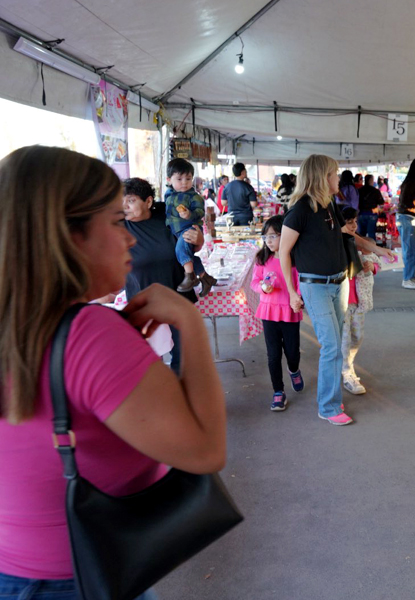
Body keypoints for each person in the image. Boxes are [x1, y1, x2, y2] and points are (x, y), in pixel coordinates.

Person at [0, 146, 227, 599]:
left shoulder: (22, 323)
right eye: (115, 222)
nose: (129, 239)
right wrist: (188, 320)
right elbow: (204, 451)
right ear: (68, 237)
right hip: (83, 577)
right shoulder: (88, 334)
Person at [279, 154, 395, 426]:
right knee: (331, 346)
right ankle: (328, 406)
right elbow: (283, 252)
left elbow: (347, 235)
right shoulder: (299, 211)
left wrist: (377, 249)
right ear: (322, 177)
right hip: (315, 287)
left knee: (335, 345)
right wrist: (292, 292)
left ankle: (331, 397)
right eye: (334, 173)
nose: (339, 179)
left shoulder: (330, 204)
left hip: (339, 283)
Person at [123, 177, 203, 376]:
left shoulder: (168, 214)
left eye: (131, 200)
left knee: (184, 360)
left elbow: (190, 244)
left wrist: (199, 240)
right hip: (142, 306)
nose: (124, 206)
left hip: (178, 299)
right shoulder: (117, 226)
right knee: (149, 363)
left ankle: (183, 394)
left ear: (148, 201)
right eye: (121, 201)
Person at [251, 215, 304, 412]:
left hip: (289, 311)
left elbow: (300, 283)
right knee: (273, 355)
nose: (269, 241)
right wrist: (263, 288)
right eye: (266, 237)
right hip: (268, 312)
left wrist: (298, 298)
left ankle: (294, 370)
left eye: (273, 236)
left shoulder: (295, 259)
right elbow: (254, 282)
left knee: (292, 352)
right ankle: (278, 391)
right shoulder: (262, 258)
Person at [340, 208, 381, 395]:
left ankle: (347, 364)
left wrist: (372, 267)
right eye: (349, 222)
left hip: (359, 302)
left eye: (355, 221)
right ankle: (347, 372)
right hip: (342, 302)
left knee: (357, 337)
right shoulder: (337, 245)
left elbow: (376, 263)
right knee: (344, 339)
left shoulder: (361, 244)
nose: (353, 225)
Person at [164, 158, 217, 294]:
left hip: (190, 228)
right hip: (176, 230)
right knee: (189, 257)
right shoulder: (168, 195)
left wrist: (190, 214)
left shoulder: (194, 196)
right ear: (169, 180)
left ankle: (190, 277)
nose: (184, 183)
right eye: (179, 179)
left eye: (188, 179)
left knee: (180, 250)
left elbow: (200, 212)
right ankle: (206, 278)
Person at [396, 158, 415, 289]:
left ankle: (411, 276)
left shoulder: (412, 182)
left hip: (408, 218)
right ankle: (407, 278)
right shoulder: (411, 183)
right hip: (406, 218)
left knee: (412, 250)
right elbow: (408, 203)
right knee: (410, 250)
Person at [357, 173, 385, 238]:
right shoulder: (376, 191)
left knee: (361, 235)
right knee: (371, 234)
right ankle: (371, 245)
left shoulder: (359, 190)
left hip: (361, 213)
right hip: (372, 214)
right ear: (371, 180)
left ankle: (362, 245)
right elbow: (381, 202)